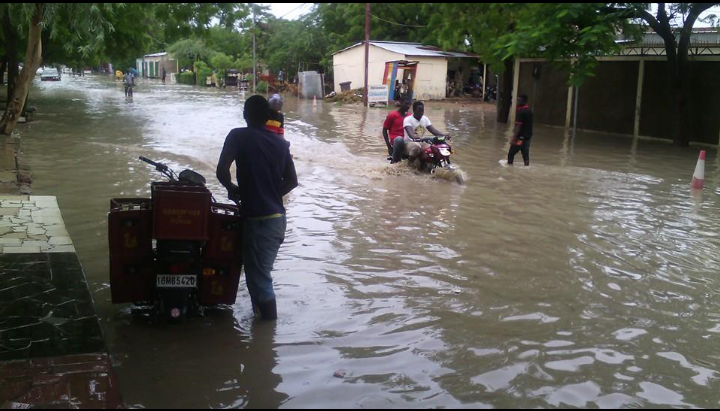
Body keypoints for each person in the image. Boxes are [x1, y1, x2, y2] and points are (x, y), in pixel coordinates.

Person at [216, 95, 298, 321]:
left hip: (258, 220)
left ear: (245, 115)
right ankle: (259, 326)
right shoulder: (281, 144)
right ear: (269, 116)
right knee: (256, 276)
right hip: (277, 220)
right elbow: (292, 181)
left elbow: (222, 170)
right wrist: (269, 193)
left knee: (260, 280)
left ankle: (267, 338)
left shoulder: (238, 136)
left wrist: (232, 188)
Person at [395, 101, 449, 166]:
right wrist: (414, 137)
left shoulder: (425, 119)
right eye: (419, 111)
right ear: (414, 110)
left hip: (421, 142)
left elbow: (433, 130)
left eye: (422, 111)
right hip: (409, 143)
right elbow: (410, 133)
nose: (421, 113)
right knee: (416, 147)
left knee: (433, 149)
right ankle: (409, 165)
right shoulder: (408, 119)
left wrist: (444, 135)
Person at [507, 94, 534, 166]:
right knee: (525, 155)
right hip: (527, 138)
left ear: (523, 101)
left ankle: (509, 169)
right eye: (517, 100)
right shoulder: (529, 110)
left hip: (520, 138)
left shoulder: (520, 112)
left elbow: (518, 125)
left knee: (511, 154)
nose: (517, 102)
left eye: (519, 100)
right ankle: (526, 168)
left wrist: (514, 138)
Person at [383, 97, 411, 163]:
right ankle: (394, 161)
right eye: (406, 104)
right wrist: (389, 147)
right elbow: (384, 130)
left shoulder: (410, 116)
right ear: (400, 103)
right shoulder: (392, 115)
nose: (408, 106)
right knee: (399, 139)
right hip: (396, 141)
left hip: (407, 140)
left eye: (409, 104)